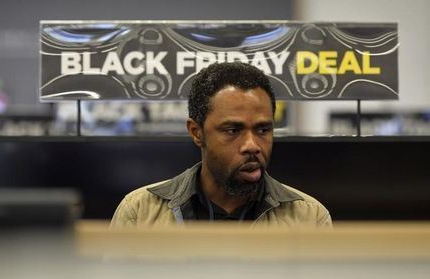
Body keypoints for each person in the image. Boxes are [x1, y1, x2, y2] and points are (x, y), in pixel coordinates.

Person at [110, 62, 332, 228]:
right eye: (233, 131)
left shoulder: (309, 217)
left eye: (263, 130)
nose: (252, 145)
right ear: (196, 133)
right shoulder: (140, 212)